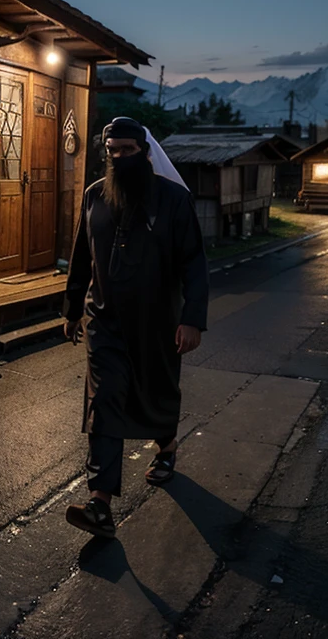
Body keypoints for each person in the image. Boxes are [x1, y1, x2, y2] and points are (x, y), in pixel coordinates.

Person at [64, 117, 209, 538]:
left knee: (154, 388)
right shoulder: (94, 197)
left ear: (145, 153)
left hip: (159, 322)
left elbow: (194, 264)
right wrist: (73, 310)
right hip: (105, 320)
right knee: (105, 398)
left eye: (127, 150)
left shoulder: (173, 200)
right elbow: (81, 257)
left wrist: (192, 319)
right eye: (112, 151)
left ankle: (166, 447)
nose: (118, 157)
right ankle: (99, 504)